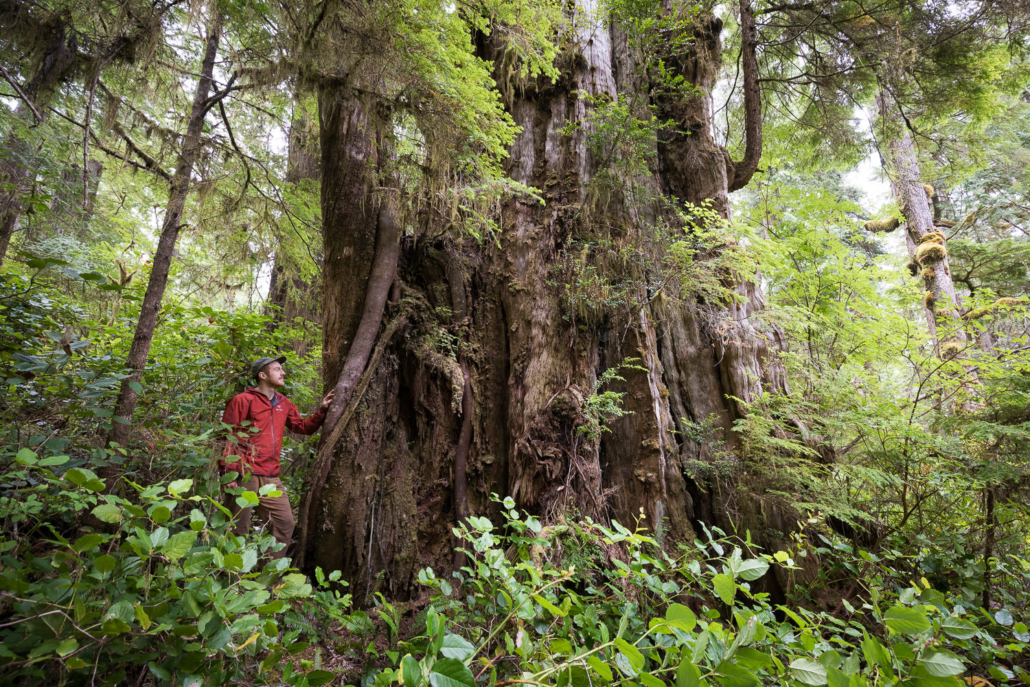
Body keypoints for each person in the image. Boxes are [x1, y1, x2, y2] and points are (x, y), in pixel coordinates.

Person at [219, 356, 334, 558]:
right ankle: (231, 583)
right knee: (237, 530)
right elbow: (228, 435)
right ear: (262, 375)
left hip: (271, 476)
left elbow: (302, 427)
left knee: (284, 524)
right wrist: (228, 472)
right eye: (277, 369)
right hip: (244, 475)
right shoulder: (242, 400)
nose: (283, 373)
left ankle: (266, 581)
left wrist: (322, 411)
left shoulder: (284, 403)